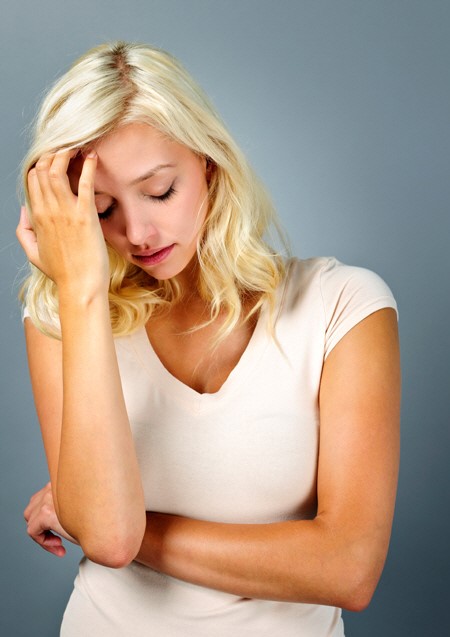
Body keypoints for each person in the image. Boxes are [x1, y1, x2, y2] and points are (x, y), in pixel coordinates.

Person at [17, 41, 400, 637]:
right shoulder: (62, 316)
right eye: (102, 210)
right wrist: (82, 291)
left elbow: (349, 569)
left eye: (160, 191)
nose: (137, 233)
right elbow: (109, 541)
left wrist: (101, 519)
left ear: (209, 163)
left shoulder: (343, 307)